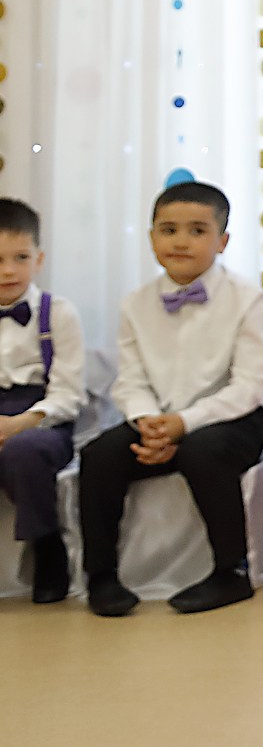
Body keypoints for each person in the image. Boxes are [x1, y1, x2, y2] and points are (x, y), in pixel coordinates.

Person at [79, 180, 263, 616]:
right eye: (168, 230)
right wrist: (149, 422)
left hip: (235, 417)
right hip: (159, 418)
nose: (181, 241)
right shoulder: (135, 304)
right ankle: (102, 576)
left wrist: (184, 424)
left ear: (222, 241)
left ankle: (232, 572)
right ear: (151, 238)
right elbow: (130, 380)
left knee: (202, 450)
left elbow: (248, 385)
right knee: (98, 455)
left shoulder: (247, 298)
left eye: (197, 230)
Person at [0, 196, 83, 603]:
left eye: (20, 257)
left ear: (39, 259)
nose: (8, 270)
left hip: (42, 419)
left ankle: (48, 548)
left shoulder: (58, 313)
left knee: (25, 451)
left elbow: (69, 392)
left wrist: (19, 423)